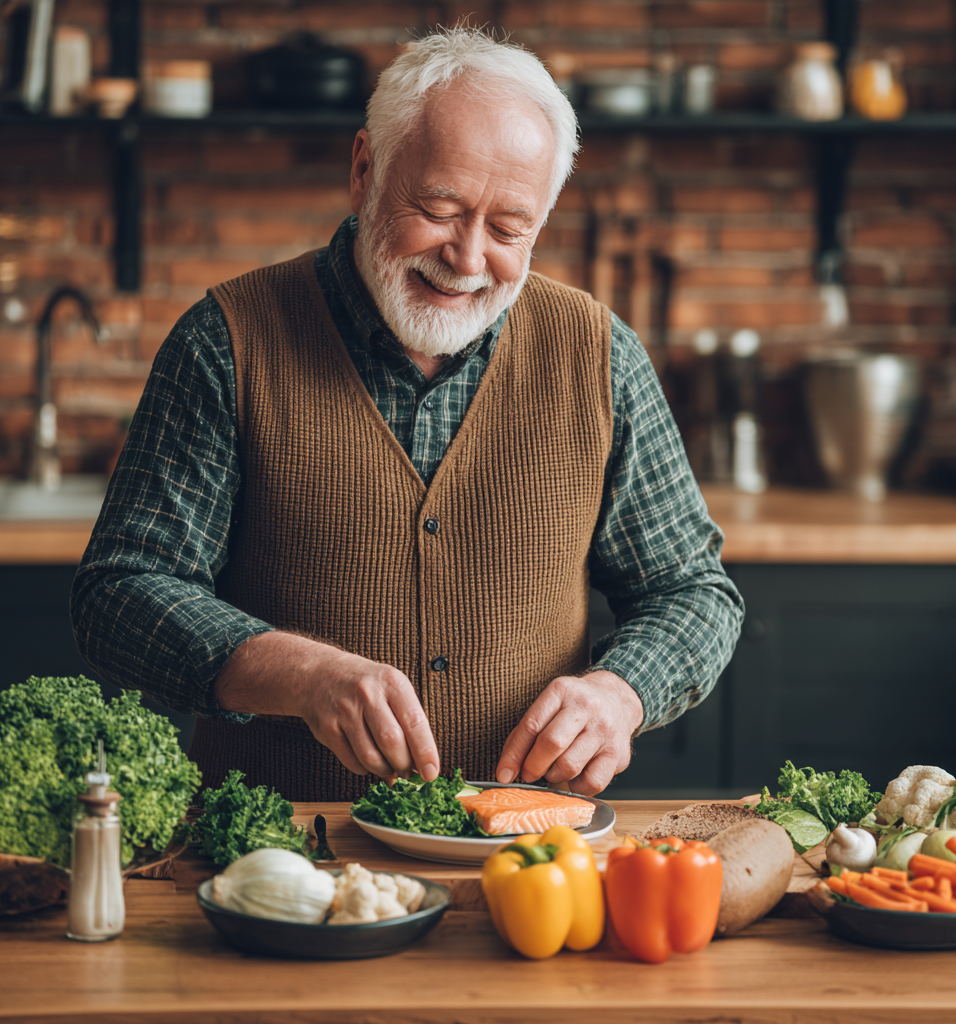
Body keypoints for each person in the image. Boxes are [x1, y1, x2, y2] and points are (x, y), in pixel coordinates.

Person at [71, 29, 744, 801]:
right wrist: (296, 674)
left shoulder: (600, 355)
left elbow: (692, 592)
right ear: (364, 171)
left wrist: (619, 692)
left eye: (507, 228)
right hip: (281, 860)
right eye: (439, 209)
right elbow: (120, 592)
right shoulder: (226, 343)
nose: (466, 257)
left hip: (525, 866)